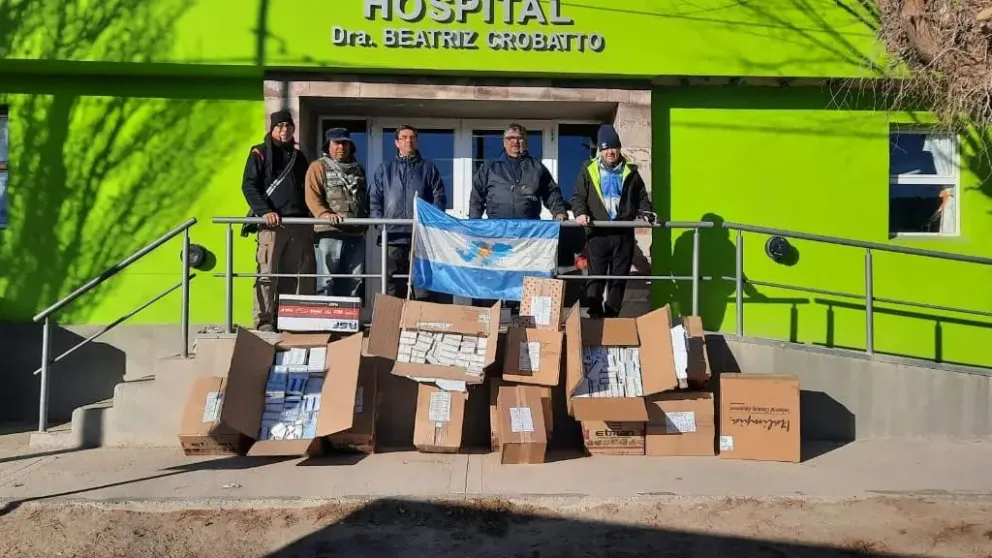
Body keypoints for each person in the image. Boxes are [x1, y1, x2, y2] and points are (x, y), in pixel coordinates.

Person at [571, 124, 655, 318]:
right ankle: (594, 312)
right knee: (596, 275)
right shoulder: (588, 169)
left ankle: (612, 313)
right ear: (600, 150)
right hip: (597, 232)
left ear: (619, 148)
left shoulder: (631, 171)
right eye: (606, 148)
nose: (610, 152)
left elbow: (642, 197)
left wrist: (648, 213)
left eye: (614, 147)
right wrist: (580, 213)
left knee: (619, 276)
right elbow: (578, 197)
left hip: (623, 231)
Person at [241, 109, 314, 332]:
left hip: (297, 225)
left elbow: (306, 189)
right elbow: (249, 185)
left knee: (289, 277)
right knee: (267, 275)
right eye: (280, 126)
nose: (285, 130)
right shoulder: (259, 152)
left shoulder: (298, 157)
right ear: (272, 129)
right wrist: (265, 211)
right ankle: (264, 321)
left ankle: (283, 319)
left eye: (288, 126)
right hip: (271, 225)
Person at [369, 125, 446, 299]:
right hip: (392, 235)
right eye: (404, 137)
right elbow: (374, 198)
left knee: (422, 283)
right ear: (396, 143)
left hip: (421, 235)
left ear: (417, 141)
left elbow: (439, 197)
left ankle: (419, 315)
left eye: (412, 137)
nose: (408, 141)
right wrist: (380, 224)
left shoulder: (428, 168)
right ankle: (393, 316)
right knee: (392, 283)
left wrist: (431, 224)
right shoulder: (385, 168)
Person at [305, 127, 370, 298]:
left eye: (345, 143)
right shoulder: (318, 166)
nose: (341, 147)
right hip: (329, 233)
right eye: (337, 143)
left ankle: (348, 315)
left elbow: (364, 199)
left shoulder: (359, 169)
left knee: (355, 282)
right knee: (325, 281)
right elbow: (312, 196)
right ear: (329, 145)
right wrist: (324, 214)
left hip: (355, 234)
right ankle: (325, 315)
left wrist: (365, 224)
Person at [469, 123, 568, 221]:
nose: (515, 141)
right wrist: (474, 222)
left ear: (525, 142)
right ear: (504, 142)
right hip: (497, 228)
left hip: (529, 228)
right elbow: (476, 197)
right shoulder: (489, 167)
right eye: (511, 138)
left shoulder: (536, 167)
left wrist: (559, 212)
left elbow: (551, 193)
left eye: (520, 138)